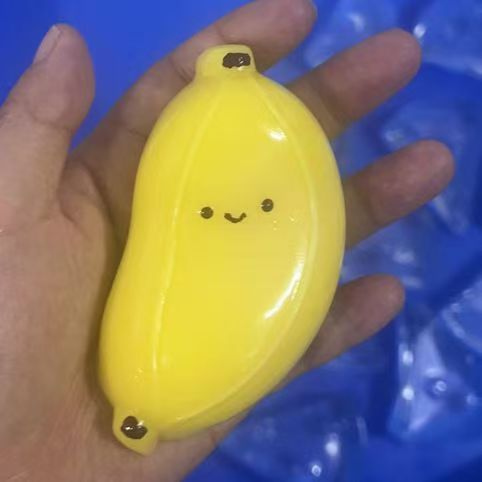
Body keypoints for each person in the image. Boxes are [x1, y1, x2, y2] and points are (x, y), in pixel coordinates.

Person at [0, 0, 454, 480]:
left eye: (265, 206)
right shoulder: (144, 375)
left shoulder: (243, 119)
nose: (235, 214)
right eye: (208, 210)